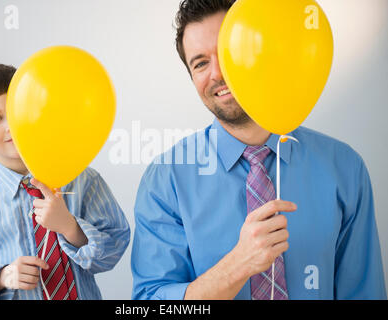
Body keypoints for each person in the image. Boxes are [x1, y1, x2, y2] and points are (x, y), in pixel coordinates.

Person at [131, 0, 386, 300]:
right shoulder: (165, 180)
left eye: (229, 53)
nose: (217, 74)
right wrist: (236, 267)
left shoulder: (344, 168)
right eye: (200, 63)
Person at [0, 64, 130, 299]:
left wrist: (70, 228)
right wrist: (2, 277)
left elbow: (115, 245)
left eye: (16, 110)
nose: (11, 125)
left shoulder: (84, 180)